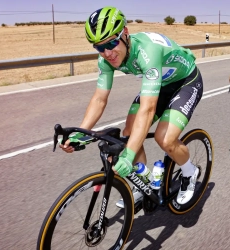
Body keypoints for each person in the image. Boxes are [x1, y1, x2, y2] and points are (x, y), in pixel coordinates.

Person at [60, 6, 204, 206]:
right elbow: (100, 99)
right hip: (160, 83)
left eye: (111, 43)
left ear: (125, 34)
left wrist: (128, 156)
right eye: (99, 47)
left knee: (165, 138)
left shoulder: (147, 51)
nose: (107, 53)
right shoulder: (106, 60)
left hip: (186, 82)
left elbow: (148, 109)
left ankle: (190, 172)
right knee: (129, 132)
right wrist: (82, 132)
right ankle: (142, 182)